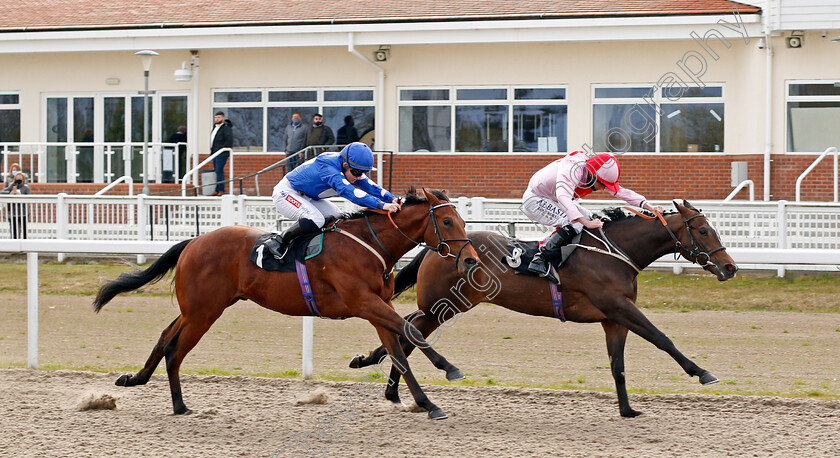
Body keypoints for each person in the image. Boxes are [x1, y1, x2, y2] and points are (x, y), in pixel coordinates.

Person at [523, 151, 664, 279]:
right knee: (577, 223)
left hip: (552, 198)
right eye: (602, 184)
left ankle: (564, 258)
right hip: (536, 199)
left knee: (589, 219)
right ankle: (540, 258)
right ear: (592, 174)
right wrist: (585, 222)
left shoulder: (595, 170)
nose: (603, 188)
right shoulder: (573, 169)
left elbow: (621, 192)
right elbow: (563, 197)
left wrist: (649, 206)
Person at [269, 142, 400, 258]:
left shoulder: (349, 168)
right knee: (316, 219)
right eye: (357, 172)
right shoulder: (328, 166)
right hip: (286, 193)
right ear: (344, 165)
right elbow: (350, 193)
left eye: (363, 173)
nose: (359, 177)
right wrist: (382, 205)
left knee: (338, 218)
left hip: (308, 196)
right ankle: (278, 241)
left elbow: (371, 187)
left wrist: (393, 198)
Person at [1, 172, 31, 239]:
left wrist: (19, 195)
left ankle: (24, 242)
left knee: (23, 229)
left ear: (23, 179)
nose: (18, 180)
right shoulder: (11, 186)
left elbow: (29, 197)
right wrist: (10, 193)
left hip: (23, 212)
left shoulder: (26, 188)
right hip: (13, 212)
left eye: (20, 179)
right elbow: (2, 192)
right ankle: (13, 241)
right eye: (17, 179)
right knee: (13, 229)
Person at [210, 112, 233, 196]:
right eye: (216, 117)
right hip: (214, 153)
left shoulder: (226, 128)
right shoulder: (215, 127)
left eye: (219, 117)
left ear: (223, 118)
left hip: (221, 153)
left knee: (219, 170)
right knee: (217, 171)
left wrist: (222, 150)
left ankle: (221, 190)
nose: (216, 119)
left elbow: (229, 140)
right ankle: (217, 189)